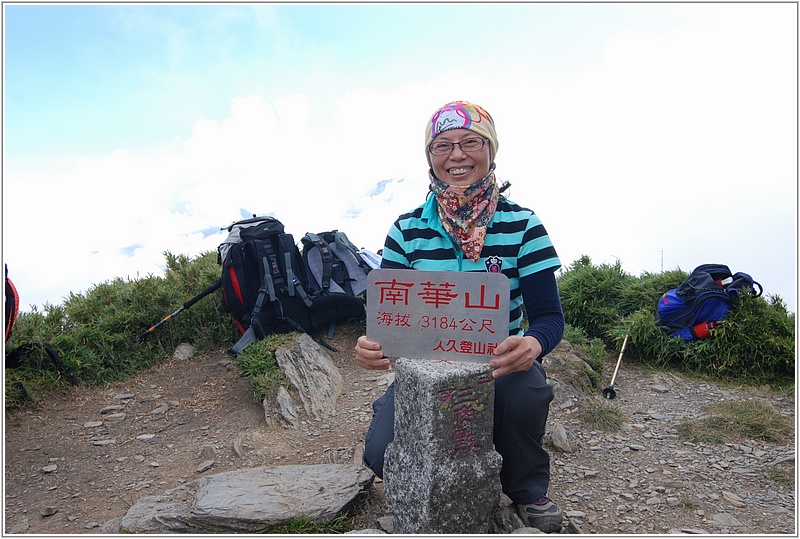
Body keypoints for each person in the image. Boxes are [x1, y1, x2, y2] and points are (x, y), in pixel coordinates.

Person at [355, 100, 565, 533]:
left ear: (491, 150)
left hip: (498, 363)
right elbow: (389, 316)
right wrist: (374, 345)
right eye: (443, 145)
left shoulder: (523, 225)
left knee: (523, 393)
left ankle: (525, 487)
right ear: (429, 157)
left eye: (471, 142)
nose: (457, 155)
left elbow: (549, 317)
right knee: (379, 455)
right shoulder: (407, 229)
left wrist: (532, 344)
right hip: (426, 369)